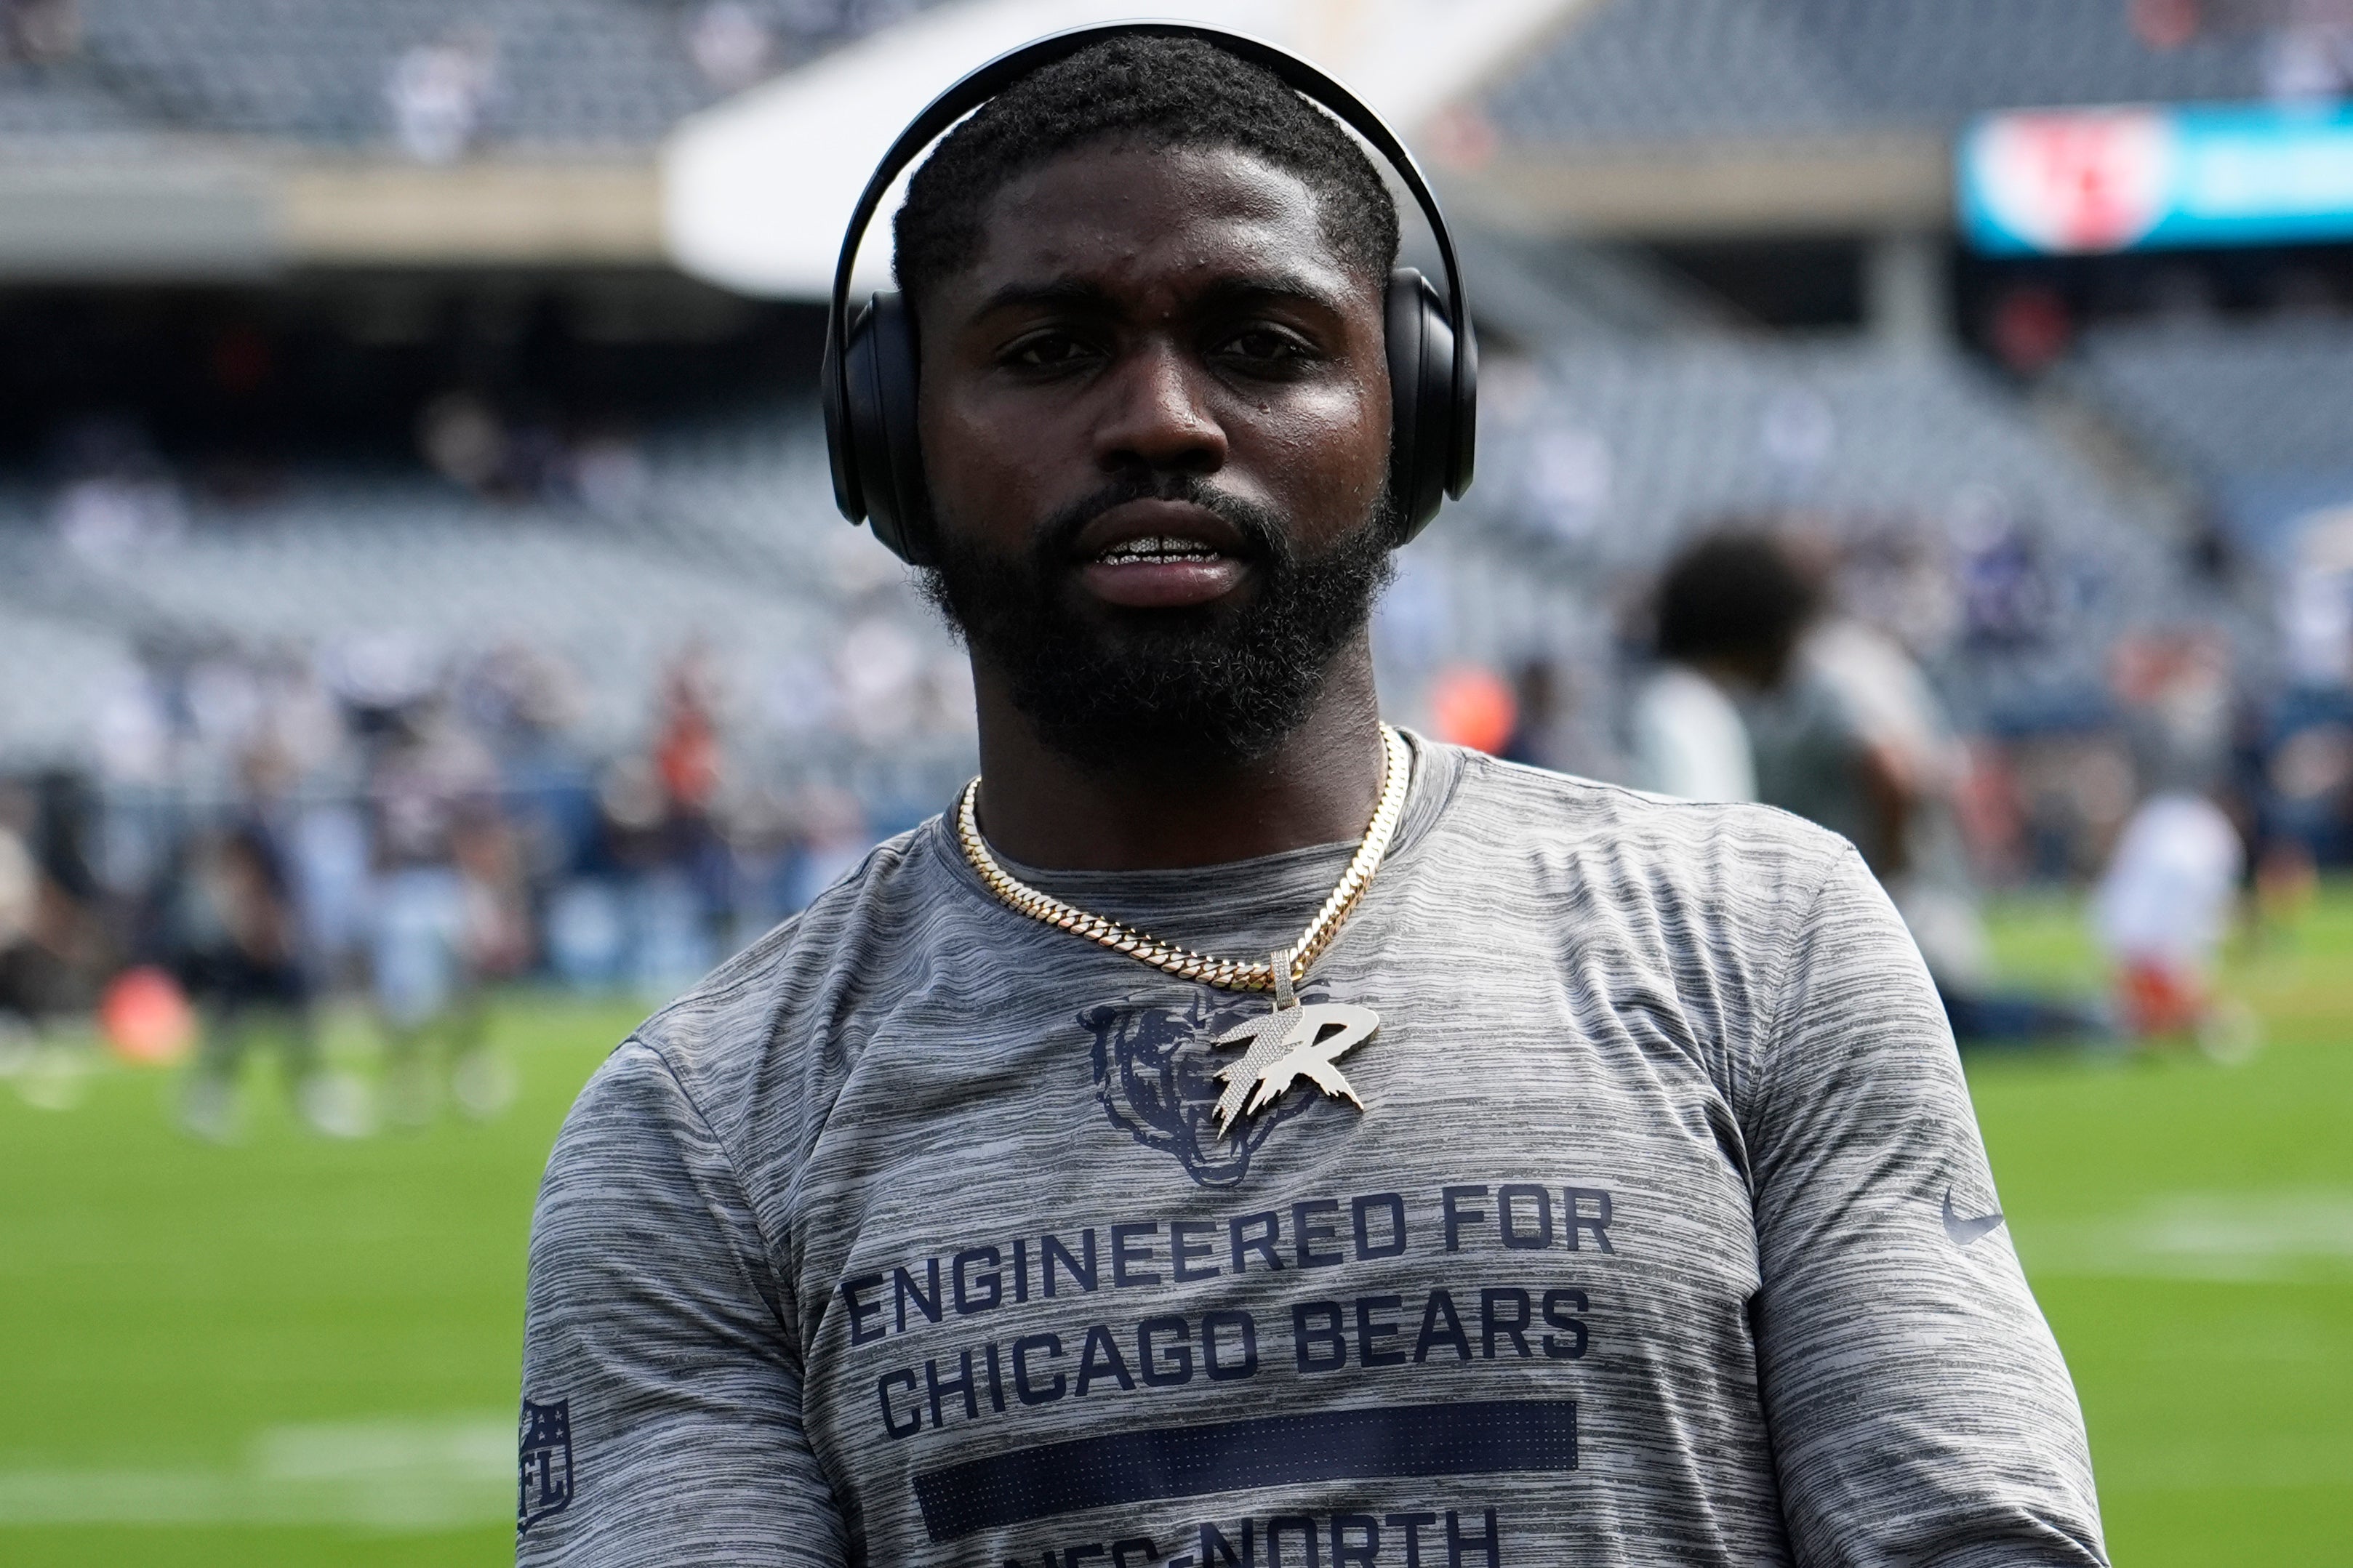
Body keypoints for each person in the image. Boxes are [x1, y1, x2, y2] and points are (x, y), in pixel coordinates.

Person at [518, 29, 2105, 1566]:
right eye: (1047, 350)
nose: (1161, 418)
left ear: (1416, 413)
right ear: (890, 436)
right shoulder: (702, 1127)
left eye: (1262, 344)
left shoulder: (1764, 941)